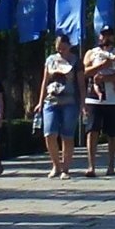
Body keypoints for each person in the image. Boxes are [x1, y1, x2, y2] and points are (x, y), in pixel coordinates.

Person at [81, 29, 115, 176]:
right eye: (103, 35)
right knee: (92, 131)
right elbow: (85, 71)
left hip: (113, 99)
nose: (105, 38)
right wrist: (102, 66)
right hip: (94, 98)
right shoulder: (91, 52)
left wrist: (106, 78)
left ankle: (111, 165)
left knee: (112, 134)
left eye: (109, 35)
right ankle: (91, 166)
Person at [36, 36, 80, 177]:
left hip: (69, 101)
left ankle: (65, 168)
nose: (61, 50)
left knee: (67, 135)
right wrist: (40, 101)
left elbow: (81, 84)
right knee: (49, 133)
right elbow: (44, 81)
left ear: (69, 46)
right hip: (51, 100)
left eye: (64, 47)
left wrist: (83, 103)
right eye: (58, 47)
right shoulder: (50, 60)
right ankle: (56, 166)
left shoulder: (76, 61)